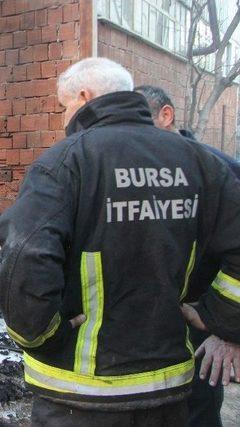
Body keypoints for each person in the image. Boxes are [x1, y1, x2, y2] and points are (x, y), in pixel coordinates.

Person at [0, 57, 240, 426]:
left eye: (65, 107)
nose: (64, 120)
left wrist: (41, 335)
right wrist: (218, 316)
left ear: (84, 96)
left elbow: (25, 255)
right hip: (169, 388)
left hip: (81, 396)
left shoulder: (65, 162)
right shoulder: (202, 163)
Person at [134, 84, 240, 427]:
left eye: (140, 127)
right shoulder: (128, 174)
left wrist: (228, 330)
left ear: (166, 116)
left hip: (200, 329)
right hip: (141, 335)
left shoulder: (219, 171)